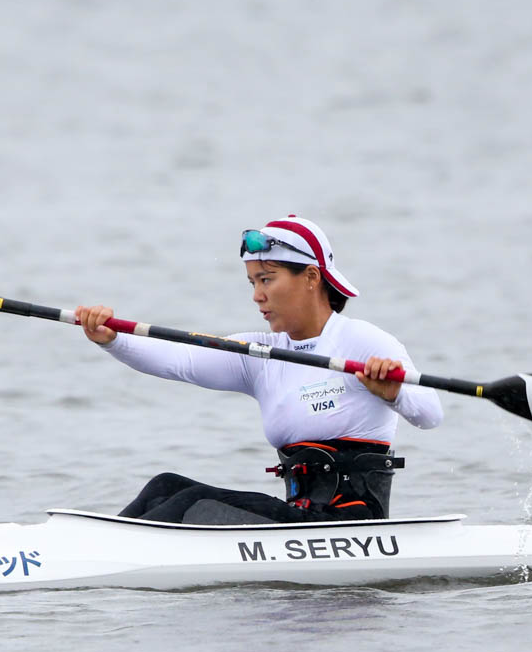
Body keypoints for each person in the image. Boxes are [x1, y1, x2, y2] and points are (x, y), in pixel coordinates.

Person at [76, 215, 442, 524]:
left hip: (351, 522)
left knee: (194, 507)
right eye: (253, 282)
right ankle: (84, 548)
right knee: (165, 487)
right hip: (298, 519)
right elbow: (180, 361)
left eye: (267, 279)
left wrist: (393, 393)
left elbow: (430, 415)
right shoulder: (261, 354)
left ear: (312, 277)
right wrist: (111, 338)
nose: (257, 295)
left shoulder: (362, 342)